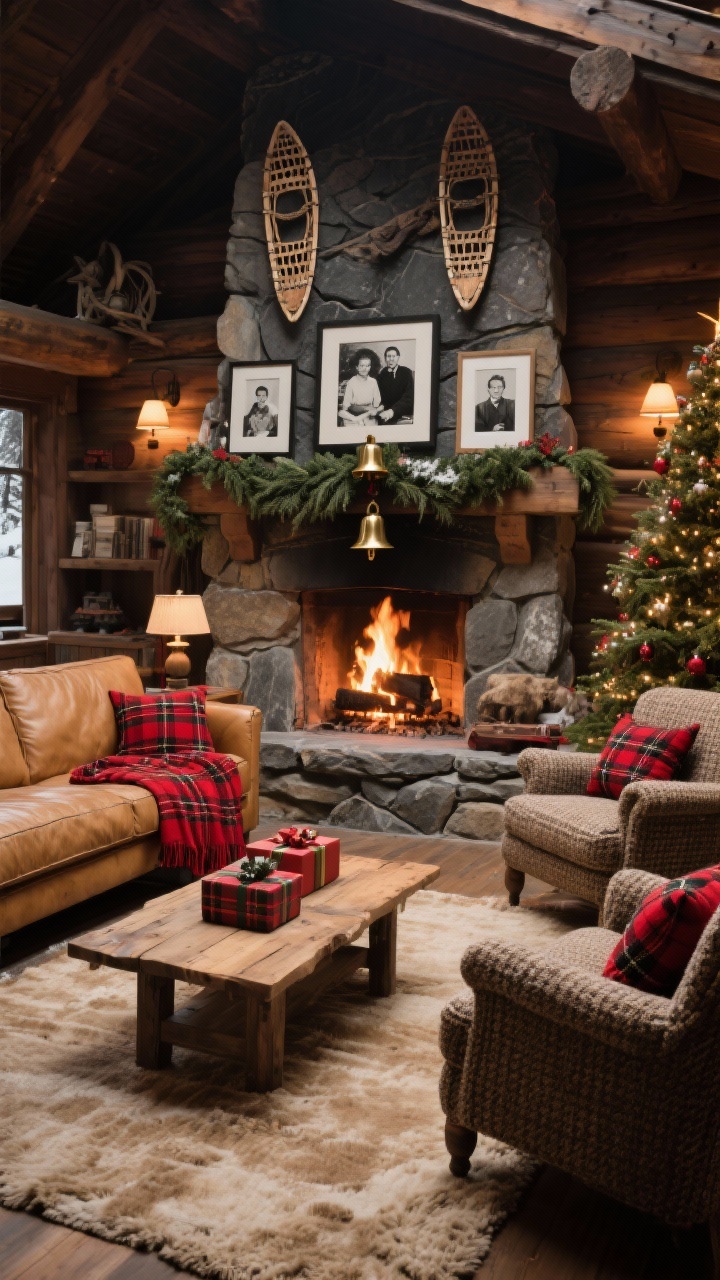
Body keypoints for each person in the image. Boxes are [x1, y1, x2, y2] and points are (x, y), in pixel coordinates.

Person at [339, 353, 381, 426]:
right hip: (354, 416)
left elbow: (377, 403)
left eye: (368, 366)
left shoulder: (373, 382)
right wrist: (364, 408)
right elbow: (347, 406)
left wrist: (373, 410)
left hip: (369, 416)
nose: (365, 368)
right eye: (362, 366)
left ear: (370, 367)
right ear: (357, 367)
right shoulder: (352, 382)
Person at [376, 346, 414, 423]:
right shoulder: (382, 374)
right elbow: (379, 396)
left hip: (403, 412)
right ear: (385, 358)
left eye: (394, 356)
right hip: (385, 414)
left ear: (398, 357)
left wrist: (392, 411)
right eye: (388, 356)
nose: (391, 359)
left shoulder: (406, 372)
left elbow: (409, 397)